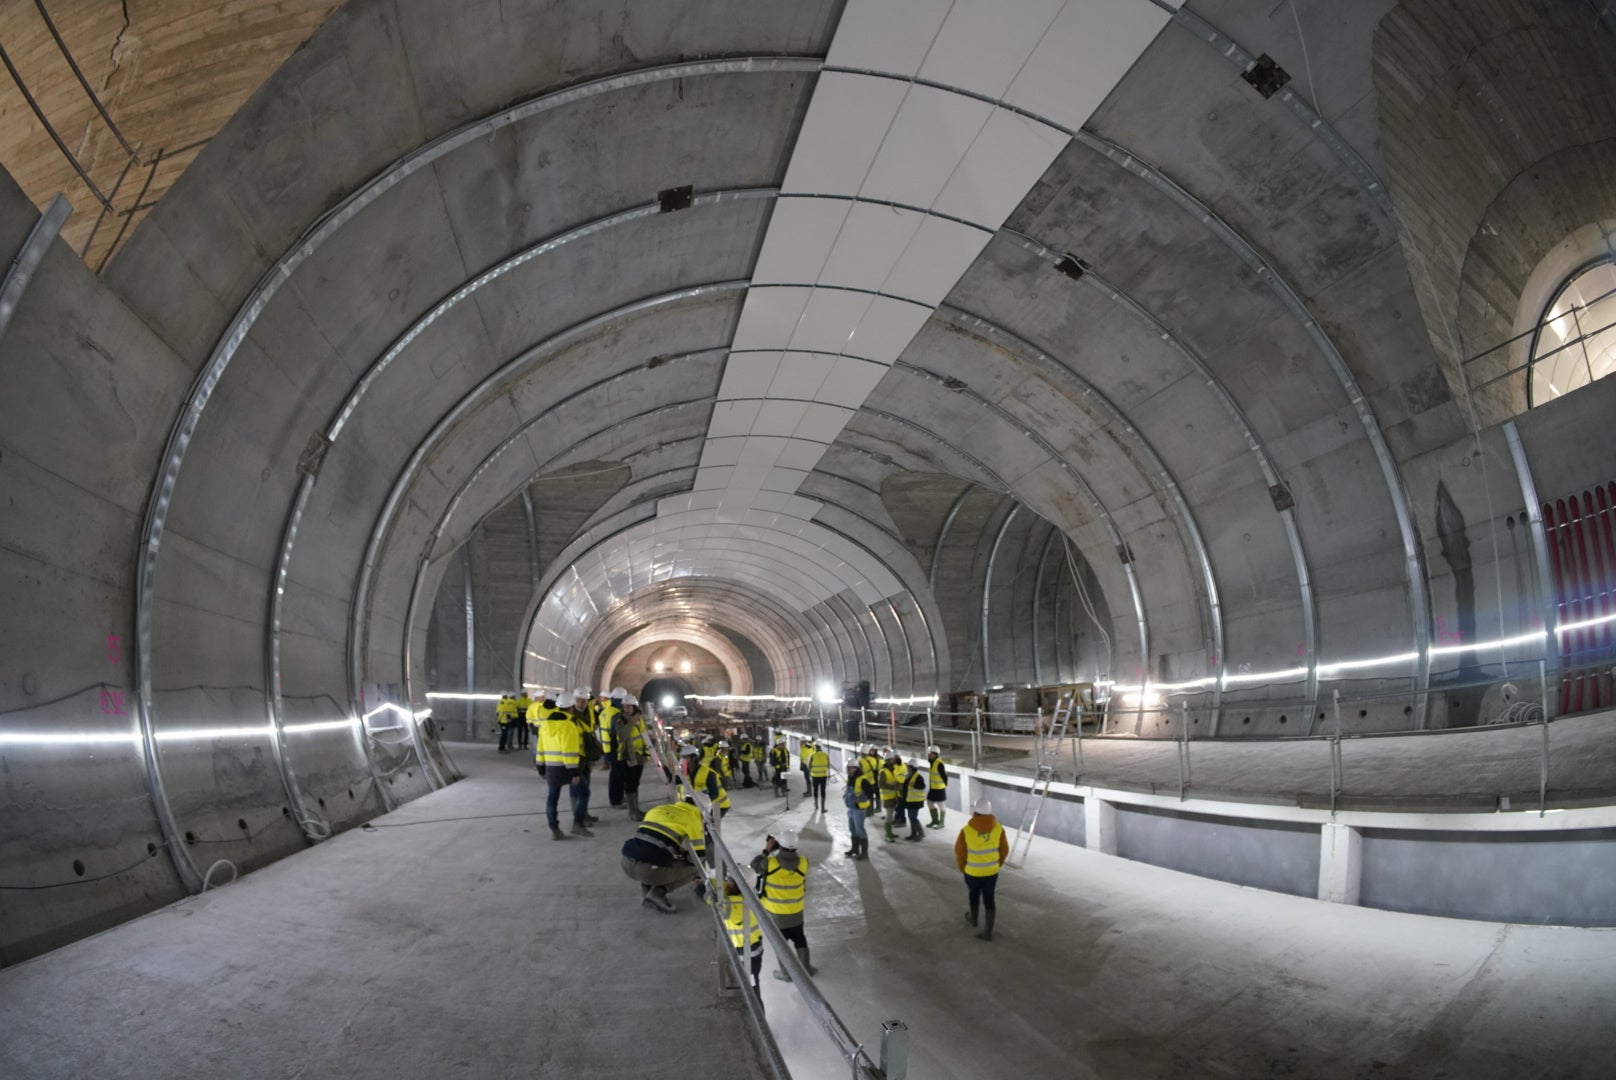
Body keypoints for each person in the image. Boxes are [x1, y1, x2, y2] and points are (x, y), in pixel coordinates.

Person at [620, 792, 709, 913]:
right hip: (648, 870)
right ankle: (657, 893)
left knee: (653, 853)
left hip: (626, 862)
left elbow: (652, 839)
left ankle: (647, 889)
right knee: (699, 866)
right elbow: (698, 858)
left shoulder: (658, 809)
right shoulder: (693, 819)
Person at [750, 829, 813, 981]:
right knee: (800, 939)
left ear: (780, 845)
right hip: (796, 912)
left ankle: (785, 974)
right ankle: (806, 971)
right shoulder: (804, 863)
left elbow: (753, 866)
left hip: (776, 914)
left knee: (781, 944)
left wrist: (767, 850)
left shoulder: (770, 863)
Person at [534, 691, 588, 839]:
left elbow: (540, 748)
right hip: (566, 768)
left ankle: (554, 830)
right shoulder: (569, 725)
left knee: (552, 798)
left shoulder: (544, 725)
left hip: (551, 768)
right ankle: (577, 824)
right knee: (584, 793)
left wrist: (540, 767)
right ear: (571, 707)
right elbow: (569, 751)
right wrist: (574, 773)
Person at [955, 797, 1009, 941]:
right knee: (989, 899)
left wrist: (963, 868)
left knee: (973, 895)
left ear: (974, 812)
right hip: (991, 872)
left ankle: (973, 920)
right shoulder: (999, 829)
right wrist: (997, 864)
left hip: (972, 872)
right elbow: (1004, 850)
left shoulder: (966, 831)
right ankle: (988, 932)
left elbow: (960, 853)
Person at [721, 878, 764, 993]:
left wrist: (700, 888)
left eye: (728, 883)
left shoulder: (729, 904)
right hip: (756, 947)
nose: (725, 884)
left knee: (752, 986)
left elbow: (709, 900)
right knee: (753, 980)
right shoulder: (751, 898)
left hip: (745, 952)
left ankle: (756, 1002)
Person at [570, 687, 602, 825]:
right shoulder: (570, 715)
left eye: (583, 701)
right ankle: (578, 817)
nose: (581, 704)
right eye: (578, 700)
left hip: (587, 754)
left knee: (586, 785)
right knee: (576, 789)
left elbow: (592, 728)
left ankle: (584, 813)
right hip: (575, 756)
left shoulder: (590, 711)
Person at [616, 694, 649, 820]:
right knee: (630, 784)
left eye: (629, 706)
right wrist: (631, 722)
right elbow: (623, 736)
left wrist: (647, 752)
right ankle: (632, 812)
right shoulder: (621, 721)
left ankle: (636, 809)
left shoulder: (640, 719)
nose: (626, 709)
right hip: (628, 757)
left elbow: (644, 735)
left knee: (635, 783)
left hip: (639, 756)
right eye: (624, 707)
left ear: (634, 707)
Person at [598, 686, 628, 809]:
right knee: (617, 775)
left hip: (607, 748)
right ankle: (616, 801)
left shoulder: (605, 711)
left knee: (616, 774)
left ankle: (618, 796)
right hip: (614, 749)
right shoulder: (615, 713)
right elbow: (617, 733)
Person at [842, 759, 874, 860]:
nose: (847, 770)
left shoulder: (862, 780)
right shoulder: (850, 778)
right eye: (847, 768)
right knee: (852, 829)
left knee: (860, 830)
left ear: (855, 768)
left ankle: (864, 853)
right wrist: (845, 797)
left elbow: (870, 793)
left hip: (859, 809)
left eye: (849, 768)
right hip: (851, 808)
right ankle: (855, 849)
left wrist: (860, 799)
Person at [693, 742, 730, 818]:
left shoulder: (723, 756)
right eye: (726, 748)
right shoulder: (718, 758)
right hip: (719, 779)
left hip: (718, 803)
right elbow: (719, 769)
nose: (727, 750)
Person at [878, 750, 904, 842]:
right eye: (892, 759)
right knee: (889, 816)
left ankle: (889, 833)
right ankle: (888, 834)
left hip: (894, 796)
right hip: (887, 797)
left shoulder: (894, 769)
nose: (894, 760)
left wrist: (899, 785)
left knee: (891, 815)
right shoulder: (883, 772)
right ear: (888, 761)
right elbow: (881, 784)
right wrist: (894, 787)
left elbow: (895, 780)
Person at [902, 758, 929, 841]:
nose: (907, 768)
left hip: (916, 801)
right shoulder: (908, 776)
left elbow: (922, 786)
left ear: (913, 767)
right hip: (909, 800)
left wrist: (914, 785)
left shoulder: (918, 777)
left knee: (913, 817)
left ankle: (920, 833)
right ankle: (913, 834)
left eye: (908, 767)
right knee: (911, 817)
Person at [926, 745, 949, 829]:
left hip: (939, 788)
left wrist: (945, 784)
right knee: (929, 803)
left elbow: (944, 775)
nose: (928, 754)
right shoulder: (932, 762)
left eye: (930, 753)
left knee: (941, 805)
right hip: (933, 788)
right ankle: (935, 820)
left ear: (934, 754)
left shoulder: (939, 763)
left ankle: (941, 823)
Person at [807, 740, 830, 812]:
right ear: (821, 746)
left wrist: (811, 771)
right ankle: (823, 808)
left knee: (815, 790)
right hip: (823, 776)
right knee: (823, 791)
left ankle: (816, 805)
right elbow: (828, 766)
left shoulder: (812, 755)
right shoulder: (826, 754)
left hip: (815, 776)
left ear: (815, 747)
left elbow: (809, 766)